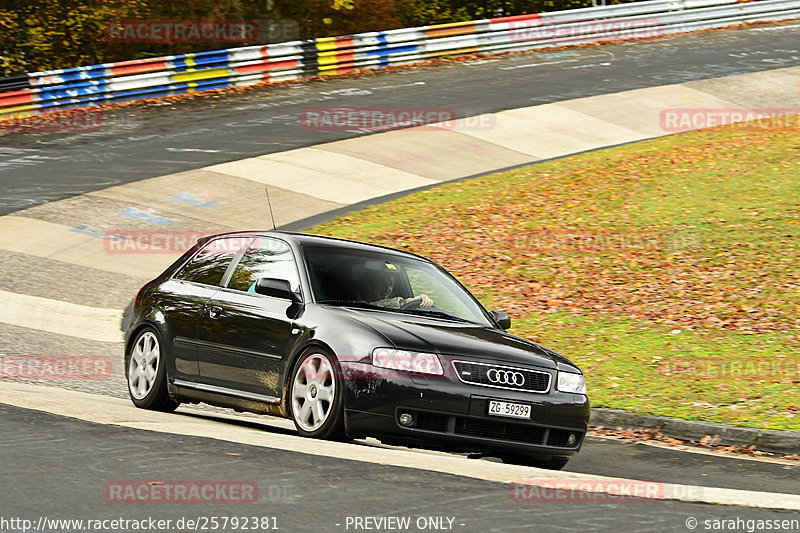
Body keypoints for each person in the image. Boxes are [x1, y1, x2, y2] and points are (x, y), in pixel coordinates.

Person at [359, 269, 433, 309]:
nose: (387, 288)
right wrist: (413, 299)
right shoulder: (358, 305)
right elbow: (376, 305)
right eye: (382, 283)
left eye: (390, 284)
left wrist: (424, 301)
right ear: (370, 284)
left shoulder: (394, 309)